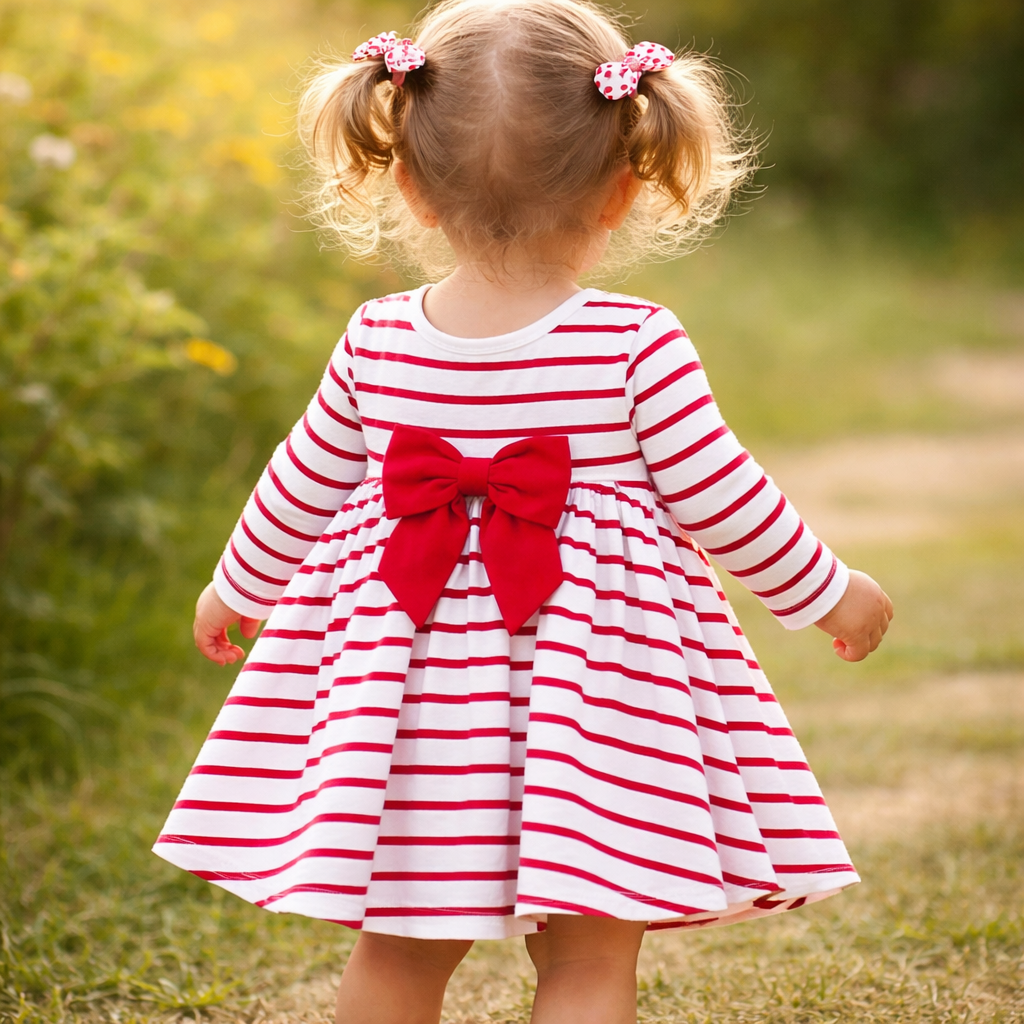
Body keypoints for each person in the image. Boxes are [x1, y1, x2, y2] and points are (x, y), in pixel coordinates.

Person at [153, 2, 893, 1022]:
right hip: (597, 700)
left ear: (407, 183)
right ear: (624, 184)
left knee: (400, 956)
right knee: (588, 964)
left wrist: (235, 586)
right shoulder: (633, 344)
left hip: (410, 714)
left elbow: (299, 480)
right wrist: (828, 594)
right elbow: (725, 497)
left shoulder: (377, 341)